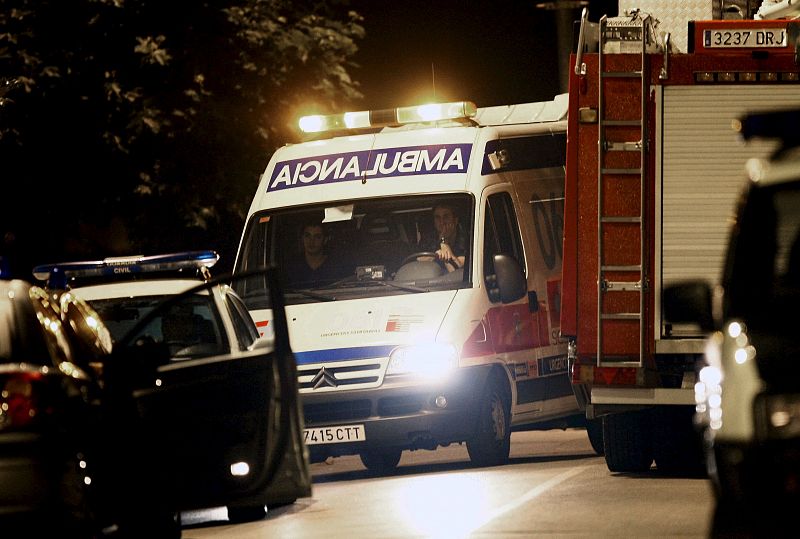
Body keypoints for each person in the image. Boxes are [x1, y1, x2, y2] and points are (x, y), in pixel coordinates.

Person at [420, 203, 466, 271]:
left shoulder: (466, 242)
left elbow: (454, 270)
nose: (442, 222)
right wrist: (434, 255)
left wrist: (443, 242)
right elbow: (417, 261)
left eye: (446, 217)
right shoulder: (428, 239)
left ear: (455, 221)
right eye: (438, 217)